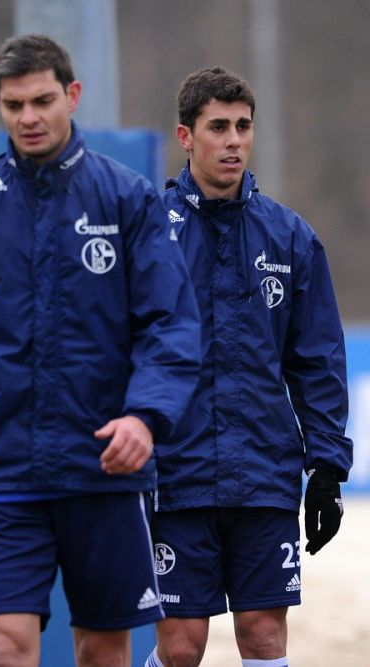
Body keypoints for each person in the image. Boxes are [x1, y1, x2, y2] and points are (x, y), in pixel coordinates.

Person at [0, 34, 202, 667]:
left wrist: (144, 417)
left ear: (72, 96)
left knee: (102, 651)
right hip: (1, 467)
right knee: (4, 646)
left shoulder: (126, 199)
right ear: (0, 107)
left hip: (105, 468)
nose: (28, 118)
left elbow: (171, 324)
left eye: (42, 101)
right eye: (14, 105)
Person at [145, 67, 353, 667]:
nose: (233, 140)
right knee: (181, 647)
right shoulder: (150, 232)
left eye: (243, 126)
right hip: (174, 476)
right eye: (218, 127)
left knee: (263, 636)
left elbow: (316, 362)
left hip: (264, 473)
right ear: (186, 136)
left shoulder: (290, 238)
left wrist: (328, 468)